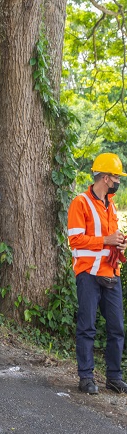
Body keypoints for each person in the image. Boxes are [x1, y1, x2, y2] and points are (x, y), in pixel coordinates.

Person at [68, 152, 127, 395]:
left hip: (112, 274)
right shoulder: (79, 203)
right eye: (116, 177)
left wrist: (120, 244)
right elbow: (75, 240)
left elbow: (111, 238)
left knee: (116, 329)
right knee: (87, 327)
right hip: (89, 275)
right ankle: (86, 378)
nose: (118, 181)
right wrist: (106, 239)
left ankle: (113, 377)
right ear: (105, 178)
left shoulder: (111, 205)